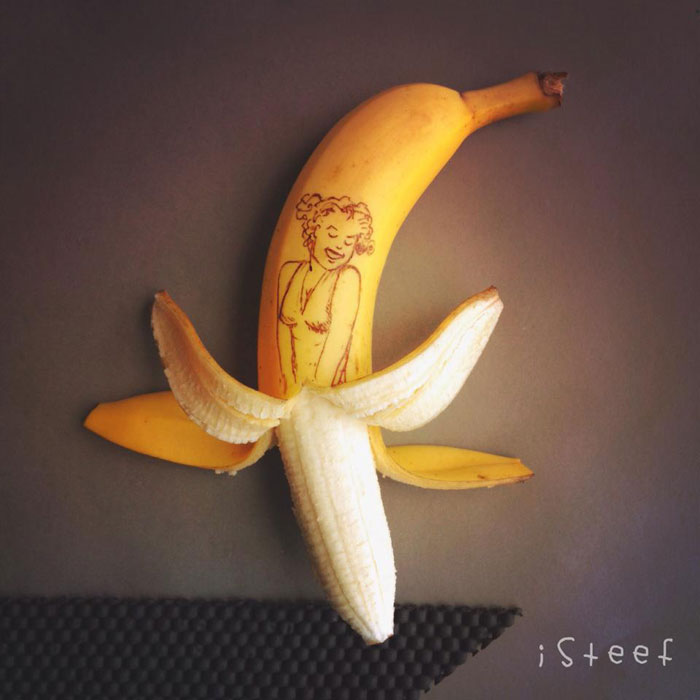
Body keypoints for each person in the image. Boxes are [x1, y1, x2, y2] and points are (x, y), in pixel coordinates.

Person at [277, 193, 374, 389]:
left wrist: (314, 395)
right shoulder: (288, 271)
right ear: (314, 230)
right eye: (332, 234)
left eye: (349, 241)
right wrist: (287, 383)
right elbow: (282, 337)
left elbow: (338, 344)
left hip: (327, 394)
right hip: (289, 388)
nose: (339, 245)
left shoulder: (347, 278)